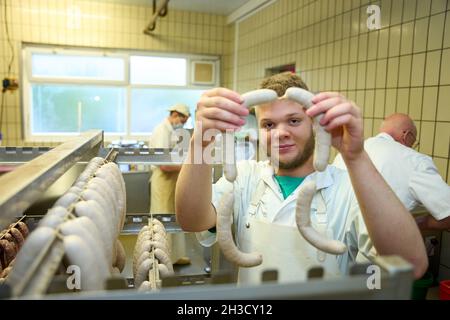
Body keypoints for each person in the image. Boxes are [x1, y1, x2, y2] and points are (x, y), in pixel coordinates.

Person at [175, 72, 427, 285]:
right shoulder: (245, 177)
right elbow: (191, 220)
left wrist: (356, 156)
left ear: (315, 124)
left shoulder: (348, 188)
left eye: (294, 121)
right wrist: (200, 140)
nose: (281, 133)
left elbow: (410, 264)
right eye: (269, 125)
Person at [333, 113, 450, 231]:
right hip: (376, 245)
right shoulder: (414, 161)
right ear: (407, 135)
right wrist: (417, 224)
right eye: (413, 141)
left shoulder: (348, 150)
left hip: (331, 239)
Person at [149, 103, 191, 265]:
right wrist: (187, 167)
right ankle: (161, 260)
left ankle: (174, 257)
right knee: (162, 220)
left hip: (173, 180)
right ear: (175, 115)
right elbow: (164, 164)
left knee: (174, 218)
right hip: (163, 180)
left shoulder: (171, 130)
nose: (183, 124)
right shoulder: (162, 131)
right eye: (183, 120)